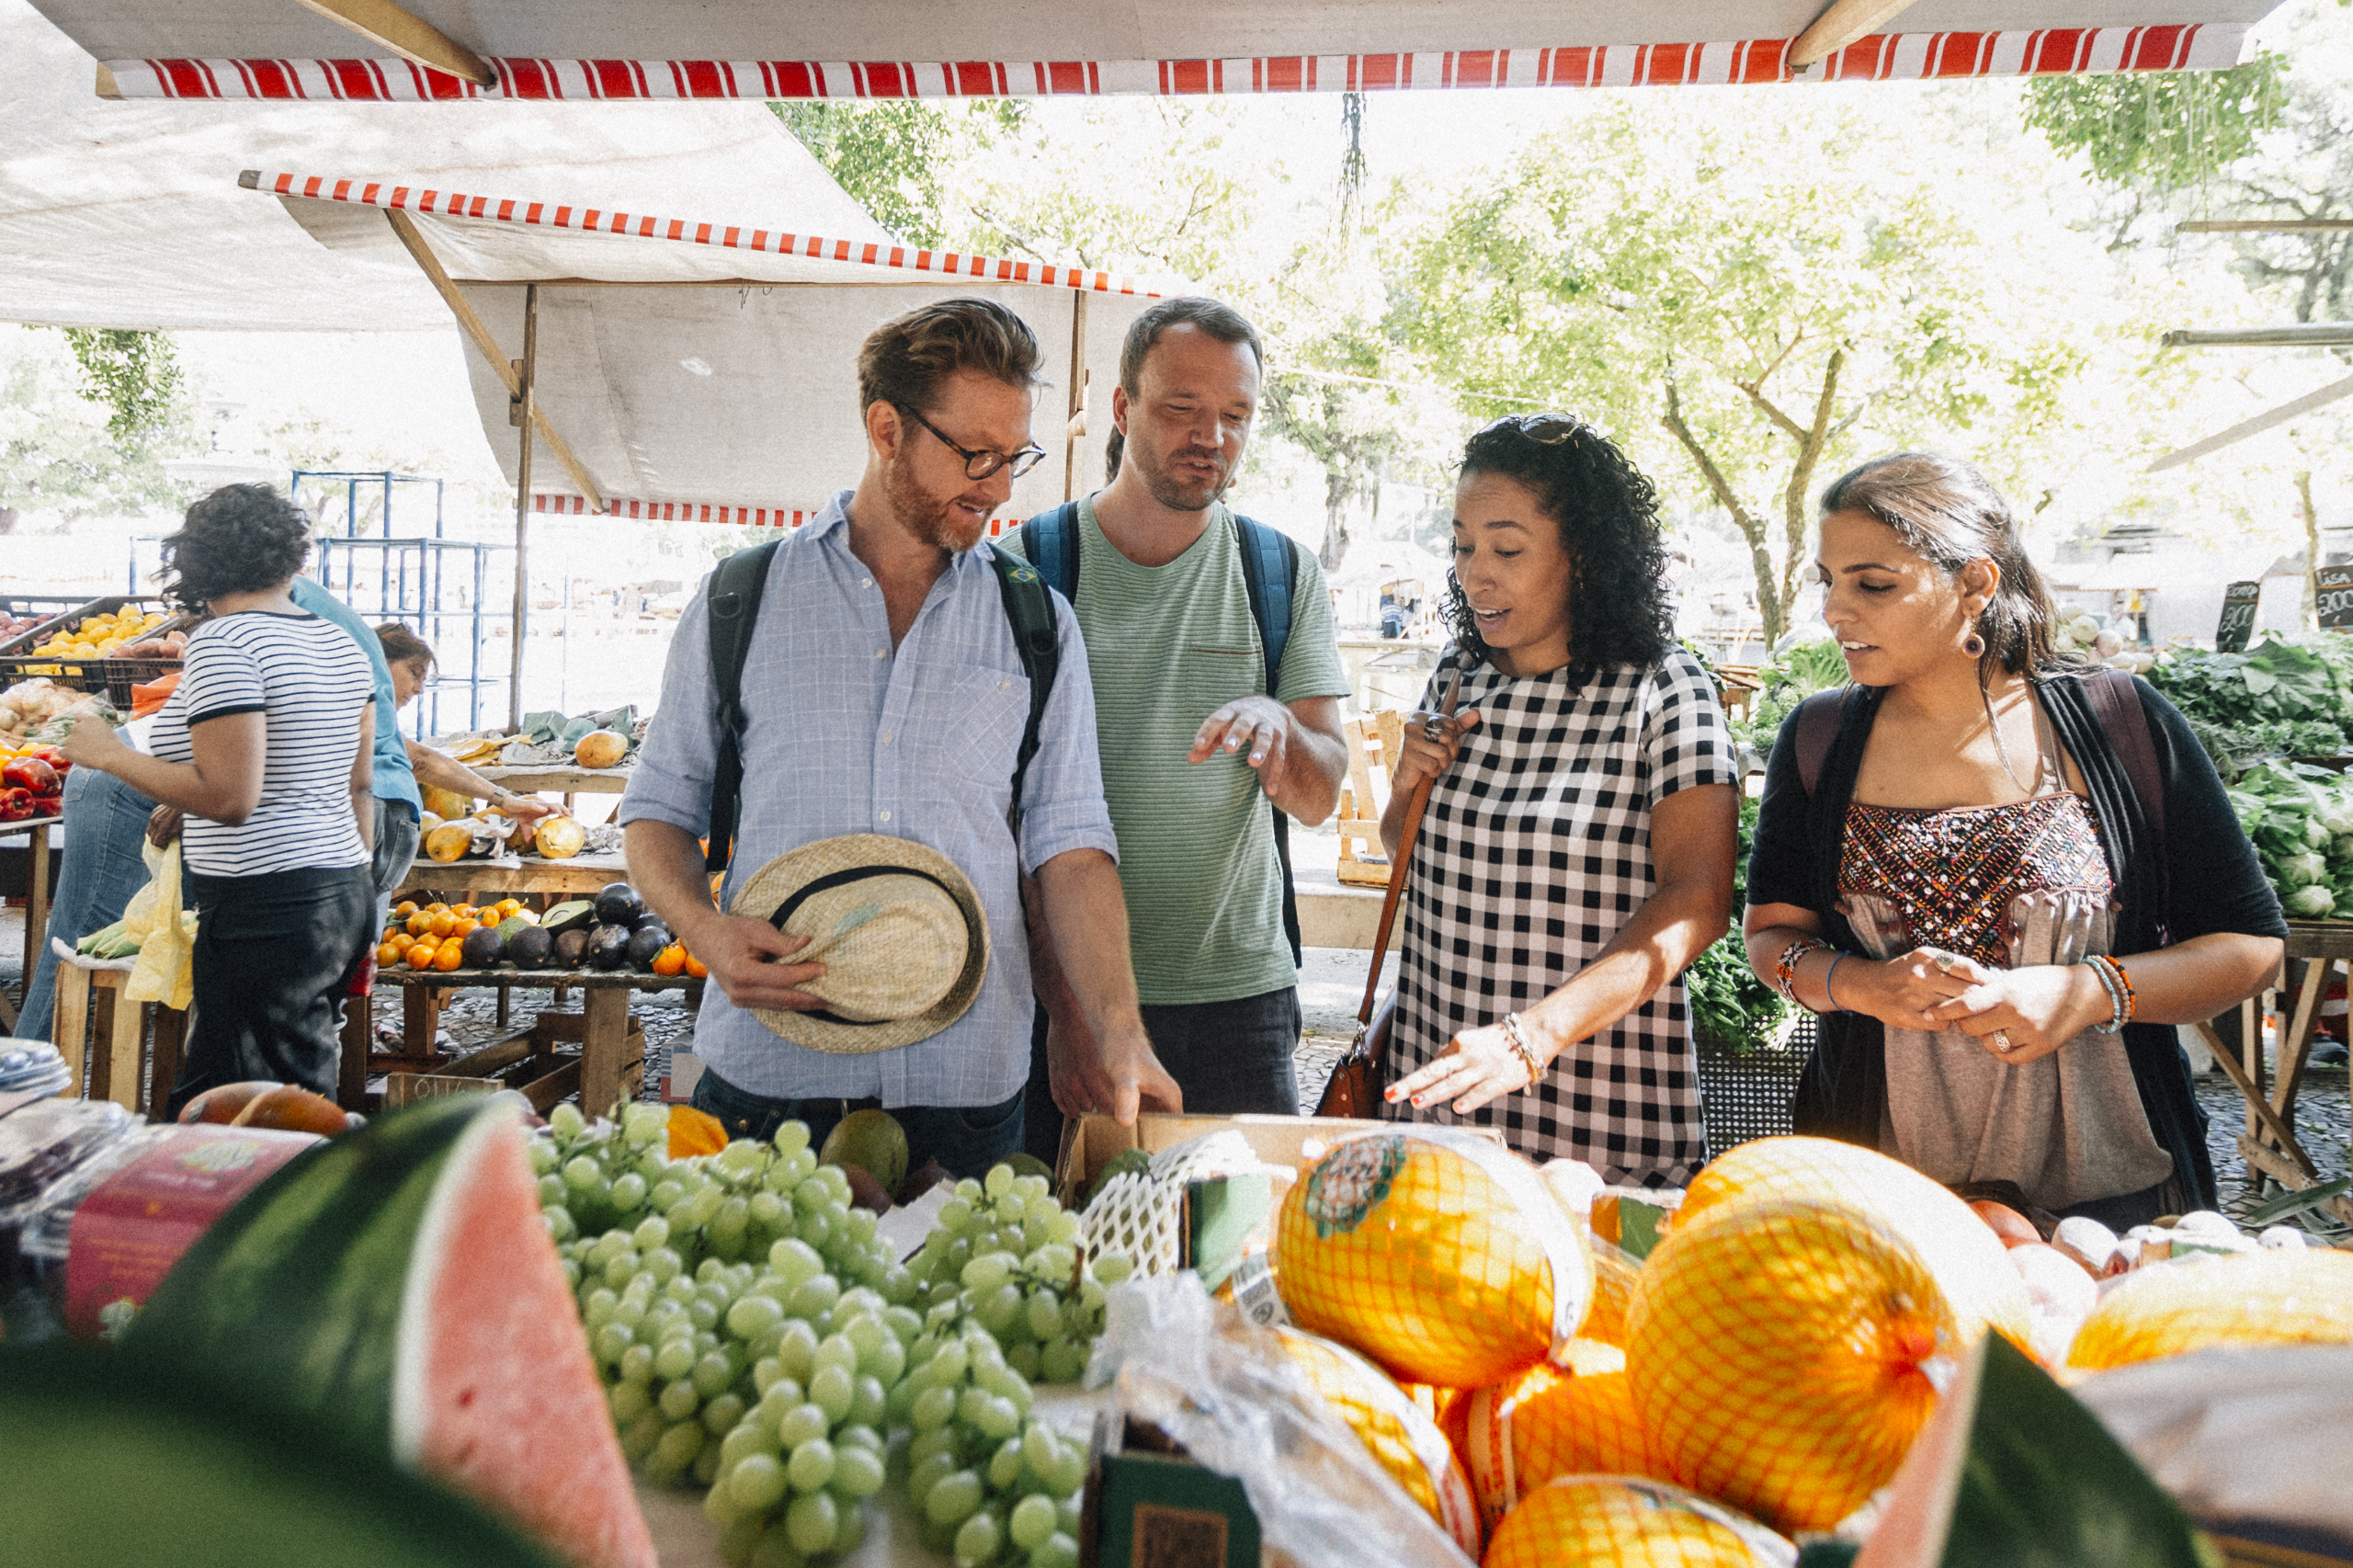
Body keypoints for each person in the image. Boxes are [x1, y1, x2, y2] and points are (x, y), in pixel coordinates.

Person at [620, 297, 1179, 1177]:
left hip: (967, 1088)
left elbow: (1070, 847)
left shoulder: (1037, 623)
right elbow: (656, 813)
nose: (998, 488)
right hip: (767, 1073)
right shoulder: (741, 601)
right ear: (887, 429)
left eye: (1014, 458)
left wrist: (1117, 1030)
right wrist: (703, 929)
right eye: (975, 455)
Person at [1743, 452, 2284, 1227]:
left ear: (1975, 584)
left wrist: (2088, 992)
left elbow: (2250, 946)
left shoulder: (2118, 720)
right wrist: (1864, 986)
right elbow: (1771, 937)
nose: (1835, 611)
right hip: (1882, 1200)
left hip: (2114, 1202)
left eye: (1873, 583)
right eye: (1826, 581)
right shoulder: (1820, 739)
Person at [1007, 297, 1351, 1158]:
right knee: (1063, 1255)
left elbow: (1319, 797)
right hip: (1066, 999)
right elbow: (995, 816)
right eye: (1181, 409)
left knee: (1236, 1261)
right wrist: (1066, 1009)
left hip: (1241, 1004)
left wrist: (1281, 729)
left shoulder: (1278, 572)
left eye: (1236, 415)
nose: (1213, 438)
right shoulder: (1025, 569)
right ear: (1121, 411)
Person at [1381, 415, 1740, 1187]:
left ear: (1583, 557)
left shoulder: (1663, 686)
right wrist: (1408, 781)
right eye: (1463, 545)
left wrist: (1529, 1039)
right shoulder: (1455, 675)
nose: (1476, 574)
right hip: (1437, 1109)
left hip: (1597, 1124)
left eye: (1507, 549)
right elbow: (1411, 859)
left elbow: (1698, 901)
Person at [59, 483, 378, 1109]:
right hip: (339, 890)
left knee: (253, 1107)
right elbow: (351, 782)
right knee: (256, 1091)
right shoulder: (339, 643)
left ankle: (288, 1204)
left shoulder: (225, 643)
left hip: (269, 905)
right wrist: (355, 888)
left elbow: (234, 798)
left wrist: (109, 756)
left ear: (195, 564)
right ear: (294, 560)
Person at [374, 622, 566, 837]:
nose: (419, 689)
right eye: (414, 673)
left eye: (423, 679)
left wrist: (506, 800)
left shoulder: (372, 716)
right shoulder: (359, 711)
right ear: (380, 663)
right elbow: (421, 761)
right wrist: (506, 800)